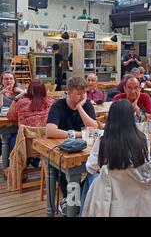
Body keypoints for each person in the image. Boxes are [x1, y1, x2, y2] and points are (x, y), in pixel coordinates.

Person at [80, 99, 151, 215]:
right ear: (132, 117)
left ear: (110, 117)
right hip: (135, 190)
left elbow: (90, 167)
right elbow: (145, 163)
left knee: (90, 179)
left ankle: (84, 212)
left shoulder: (103, 141)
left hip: (109, 193)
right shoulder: (144, 139)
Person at [46, 77, 97, 215]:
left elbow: (94, 127)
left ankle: (73, 201)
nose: (82, 96)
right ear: (68, 92)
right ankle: (71, 203)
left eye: (84, 93)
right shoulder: (58, 106)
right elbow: (50, 131)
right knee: (63, 171)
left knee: (96, 170)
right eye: (78, 93)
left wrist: (80, 107)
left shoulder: (85, 105)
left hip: (83, 150)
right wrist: (79, 134)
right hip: (62, 150)